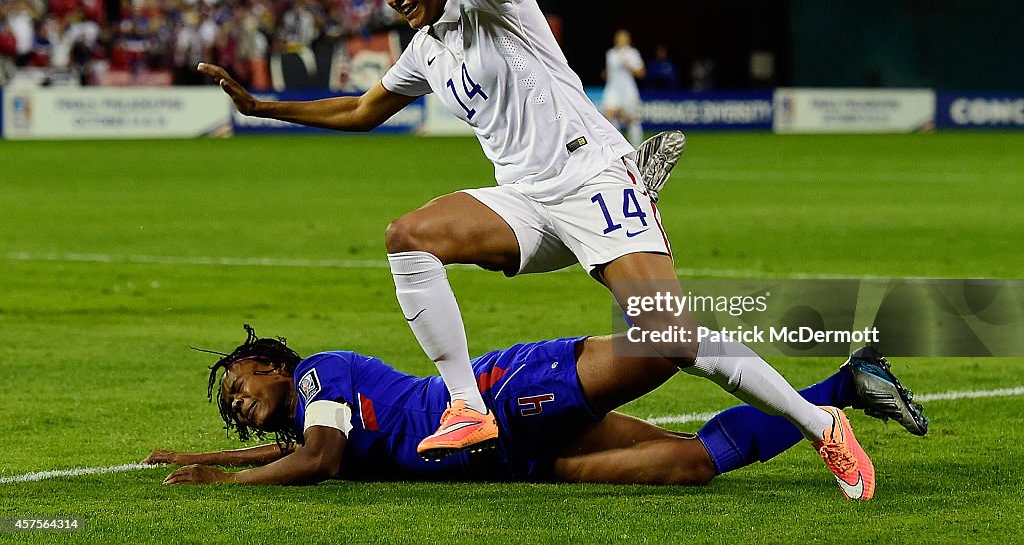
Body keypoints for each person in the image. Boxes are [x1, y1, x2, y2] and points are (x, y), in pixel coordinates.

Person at [196, 0, 876, 499]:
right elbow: (358, 111)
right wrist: (263, 109)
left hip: (588, 177)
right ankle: (465, 406)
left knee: (669, 334)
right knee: (410, 236)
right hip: (524, 200)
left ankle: (823, 428)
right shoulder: (425, 50)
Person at [146, 325, 927, 497]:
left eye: (239, 388)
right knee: (690, 463)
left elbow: (314, 462)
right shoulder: (310, 417)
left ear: (272, 364)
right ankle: (845, 388)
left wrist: (219, 482)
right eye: (233, 413)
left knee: (662, 343)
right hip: (516, 457)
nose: (240, 408)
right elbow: (302, 451)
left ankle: (635, 234)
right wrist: (198, 456)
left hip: (499, 400)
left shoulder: (321, 376)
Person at [601, 28, 646, 146]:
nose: (621, 40)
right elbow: (609, 72)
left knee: (631, 119)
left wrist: (630, 66)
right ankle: (619, 146)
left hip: (628, 90)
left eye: (624, 37)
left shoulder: (632, 53)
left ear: (628, 39)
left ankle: (637, 149)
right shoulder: (610, 53)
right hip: (613, 89)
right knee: (608, 115)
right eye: (619, 37)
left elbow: (641, 73)